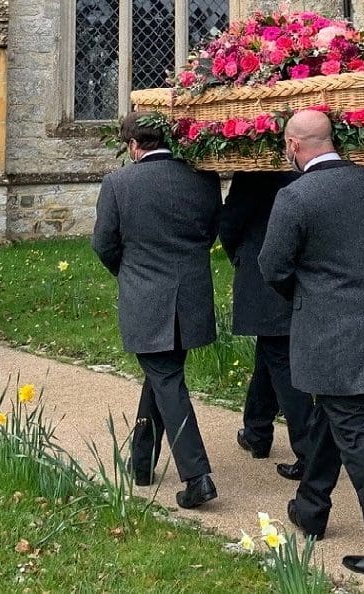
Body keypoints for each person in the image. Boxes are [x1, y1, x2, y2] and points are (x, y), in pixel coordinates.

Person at [259, 110, 364, 578]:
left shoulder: (296, 197)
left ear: (292, 145)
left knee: (354, 431)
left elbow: (273, 267)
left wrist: (310, 298)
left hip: (329, 333)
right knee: (335, 412)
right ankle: (311, 506)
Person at [92, 112, 221, 510]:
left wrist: (129, 272)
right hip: (191, 294)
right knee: (162, 374)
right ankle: (142, 461)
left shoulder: (118, 182)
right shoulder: (203, 177)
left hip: (147, 297)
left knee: (165, 378)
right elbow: (210, 229)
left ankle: (197, 476)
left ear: (133, 146)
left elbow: (103, 242)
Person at [220, 171, 314, 481]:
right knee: (271, 351)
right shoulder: (304, 170)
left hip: (264, 273)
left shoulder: (254, 175)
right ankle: (257, 432)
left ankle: (309, 450)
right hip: (299, 270)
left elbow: (230, 224)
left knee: (281, 360)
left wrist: (242, 258)